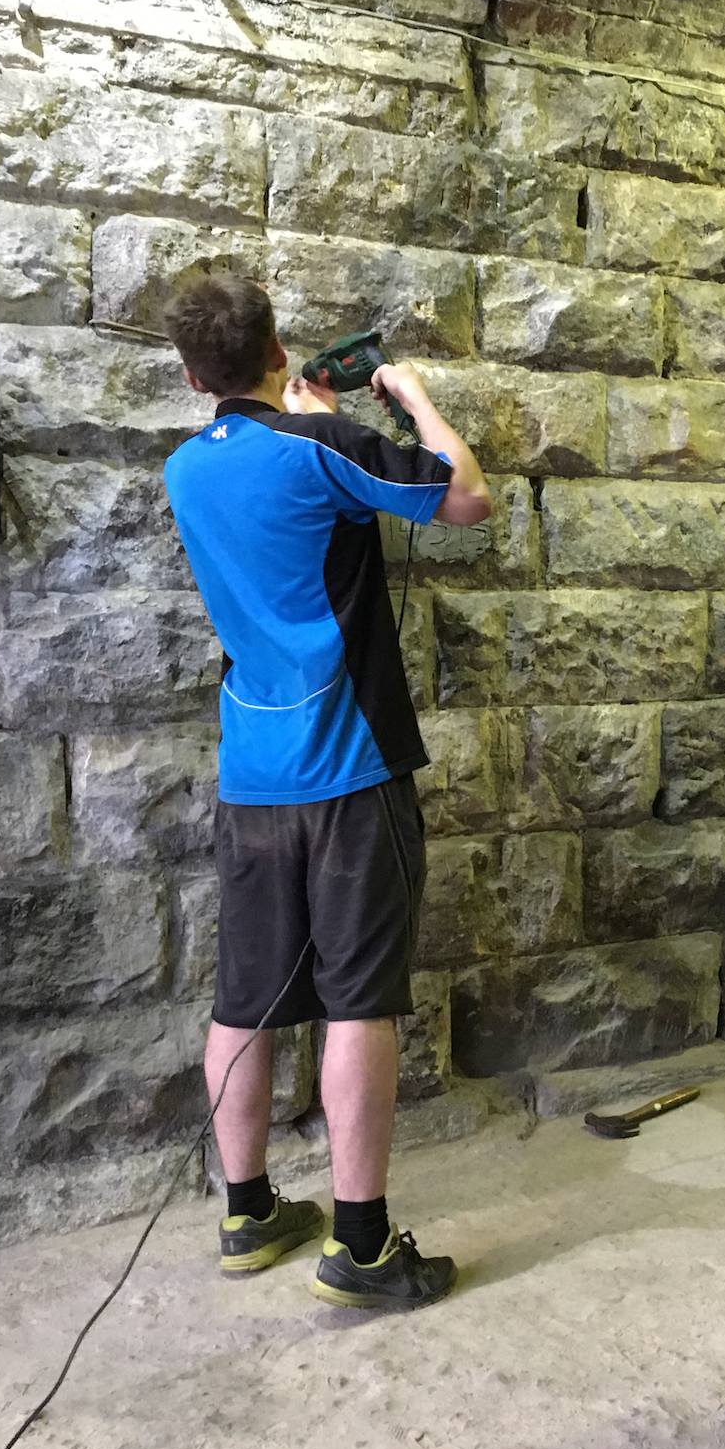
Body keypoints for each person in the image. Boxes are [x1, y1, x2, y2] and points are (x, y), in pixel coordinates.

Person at [160, 274, 491, 1310]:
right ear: (277, 350)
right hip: (348, 770)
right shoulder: (321, 449)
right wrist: (410, 397)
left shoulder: (184, 468)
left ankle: (247, 1211)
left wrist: (310, 421)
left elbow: (283, 510)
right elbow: (464, 496)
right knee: (358, 1001)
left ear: (192, 377)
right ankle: (361, 1246)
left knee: (246, 999)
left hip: (251, 775)